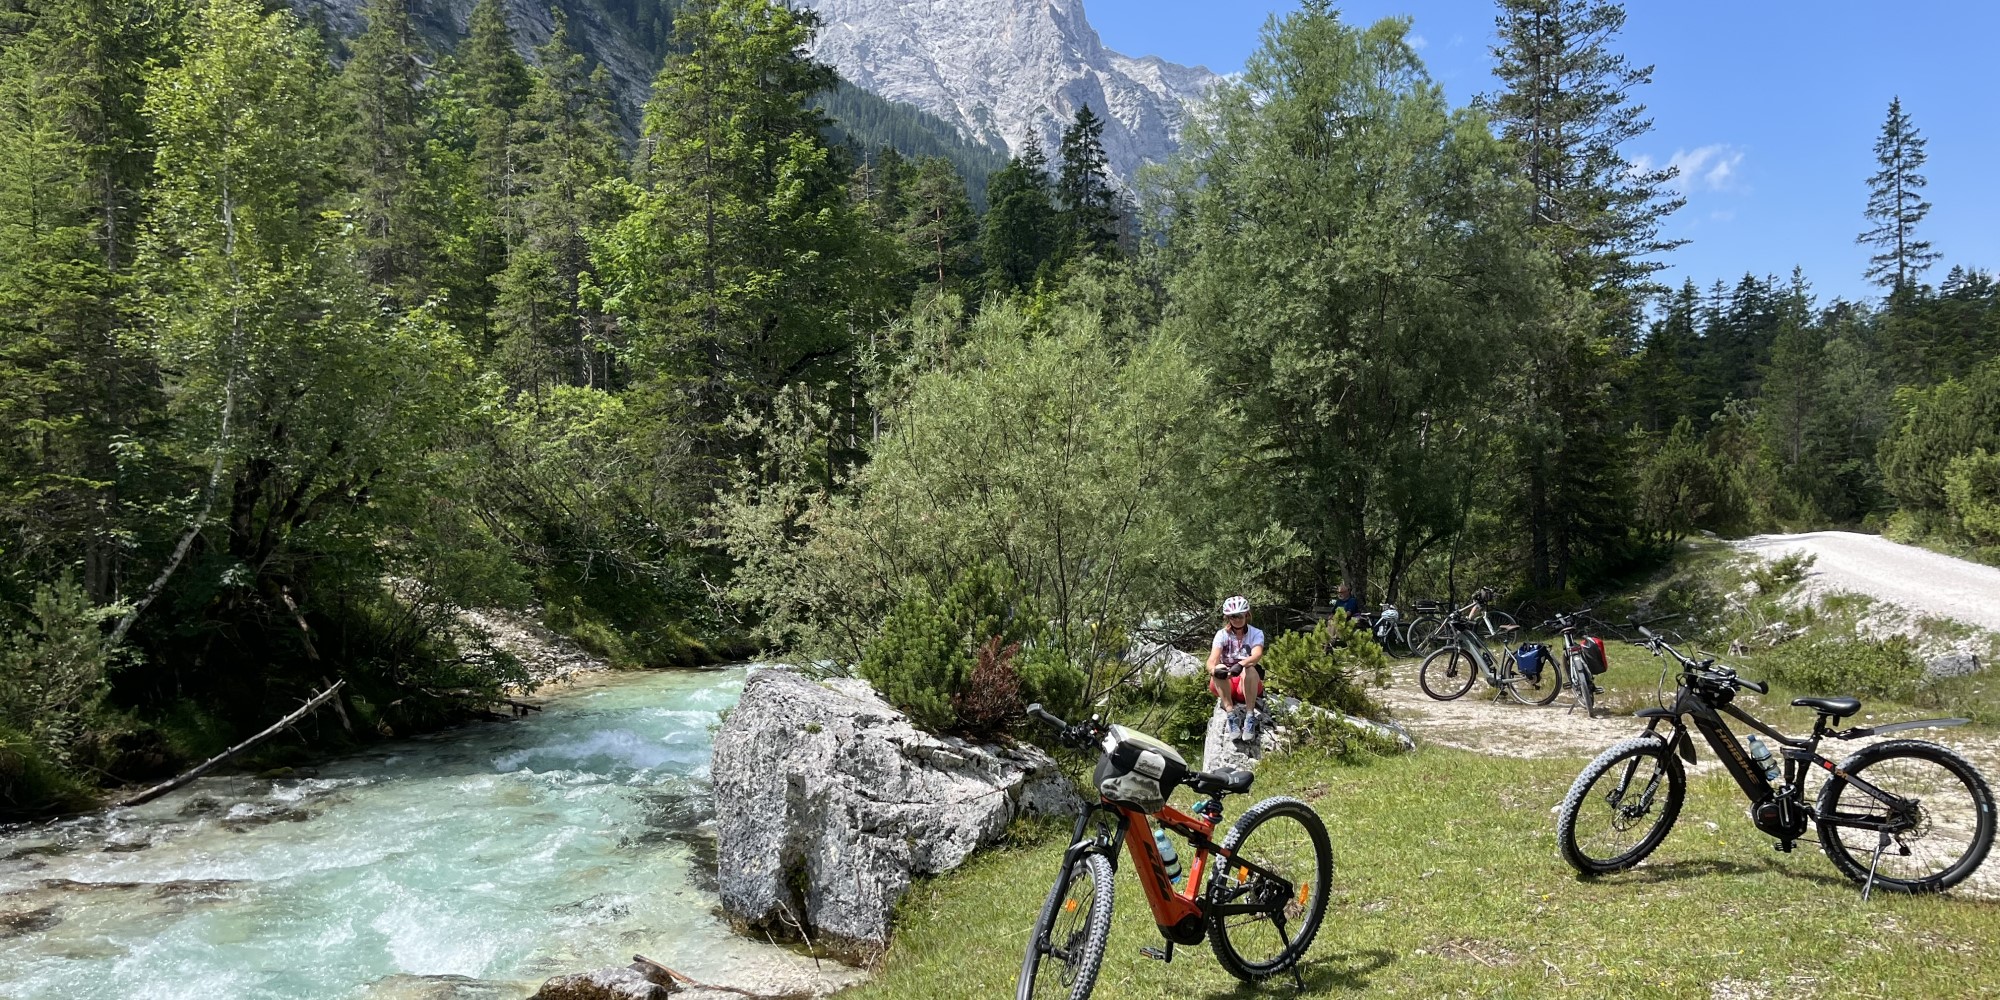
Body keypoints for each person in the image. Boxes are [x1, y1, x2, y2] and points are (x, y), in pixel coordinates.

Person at [1207, 596, 1266, 743]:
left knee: (1250, 669)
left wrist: (1241, 664)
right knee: (1219, 667)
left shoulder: (1256, 633)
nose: (1237, 620)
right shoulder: (1222, 635)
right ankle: (1231, 714)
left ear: (1246, 614)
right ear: (1228, 618)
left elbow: (1257, 654)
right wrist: (1214, 671)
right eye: (1233, 616)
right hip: (1227, 683)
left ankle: (1250, 716)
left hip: (1246, 684)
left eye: (1240, 616)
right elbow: (1211, 661)